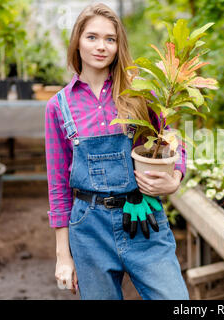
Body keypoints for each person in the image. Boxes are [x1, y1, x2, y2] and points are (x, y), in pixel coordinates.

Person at [44, 3, 189, 300]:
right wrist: (63, 256)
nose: (101, 46)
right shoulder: (58, 107)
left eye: (110, 39)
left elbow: (171, 138)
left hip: (142, 217)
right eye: (92, 37)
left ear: (118, 45)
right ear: (77, 42)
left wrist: (176, 176)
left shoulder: (139, 93)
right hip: (89, 229)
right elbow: (58, 185)